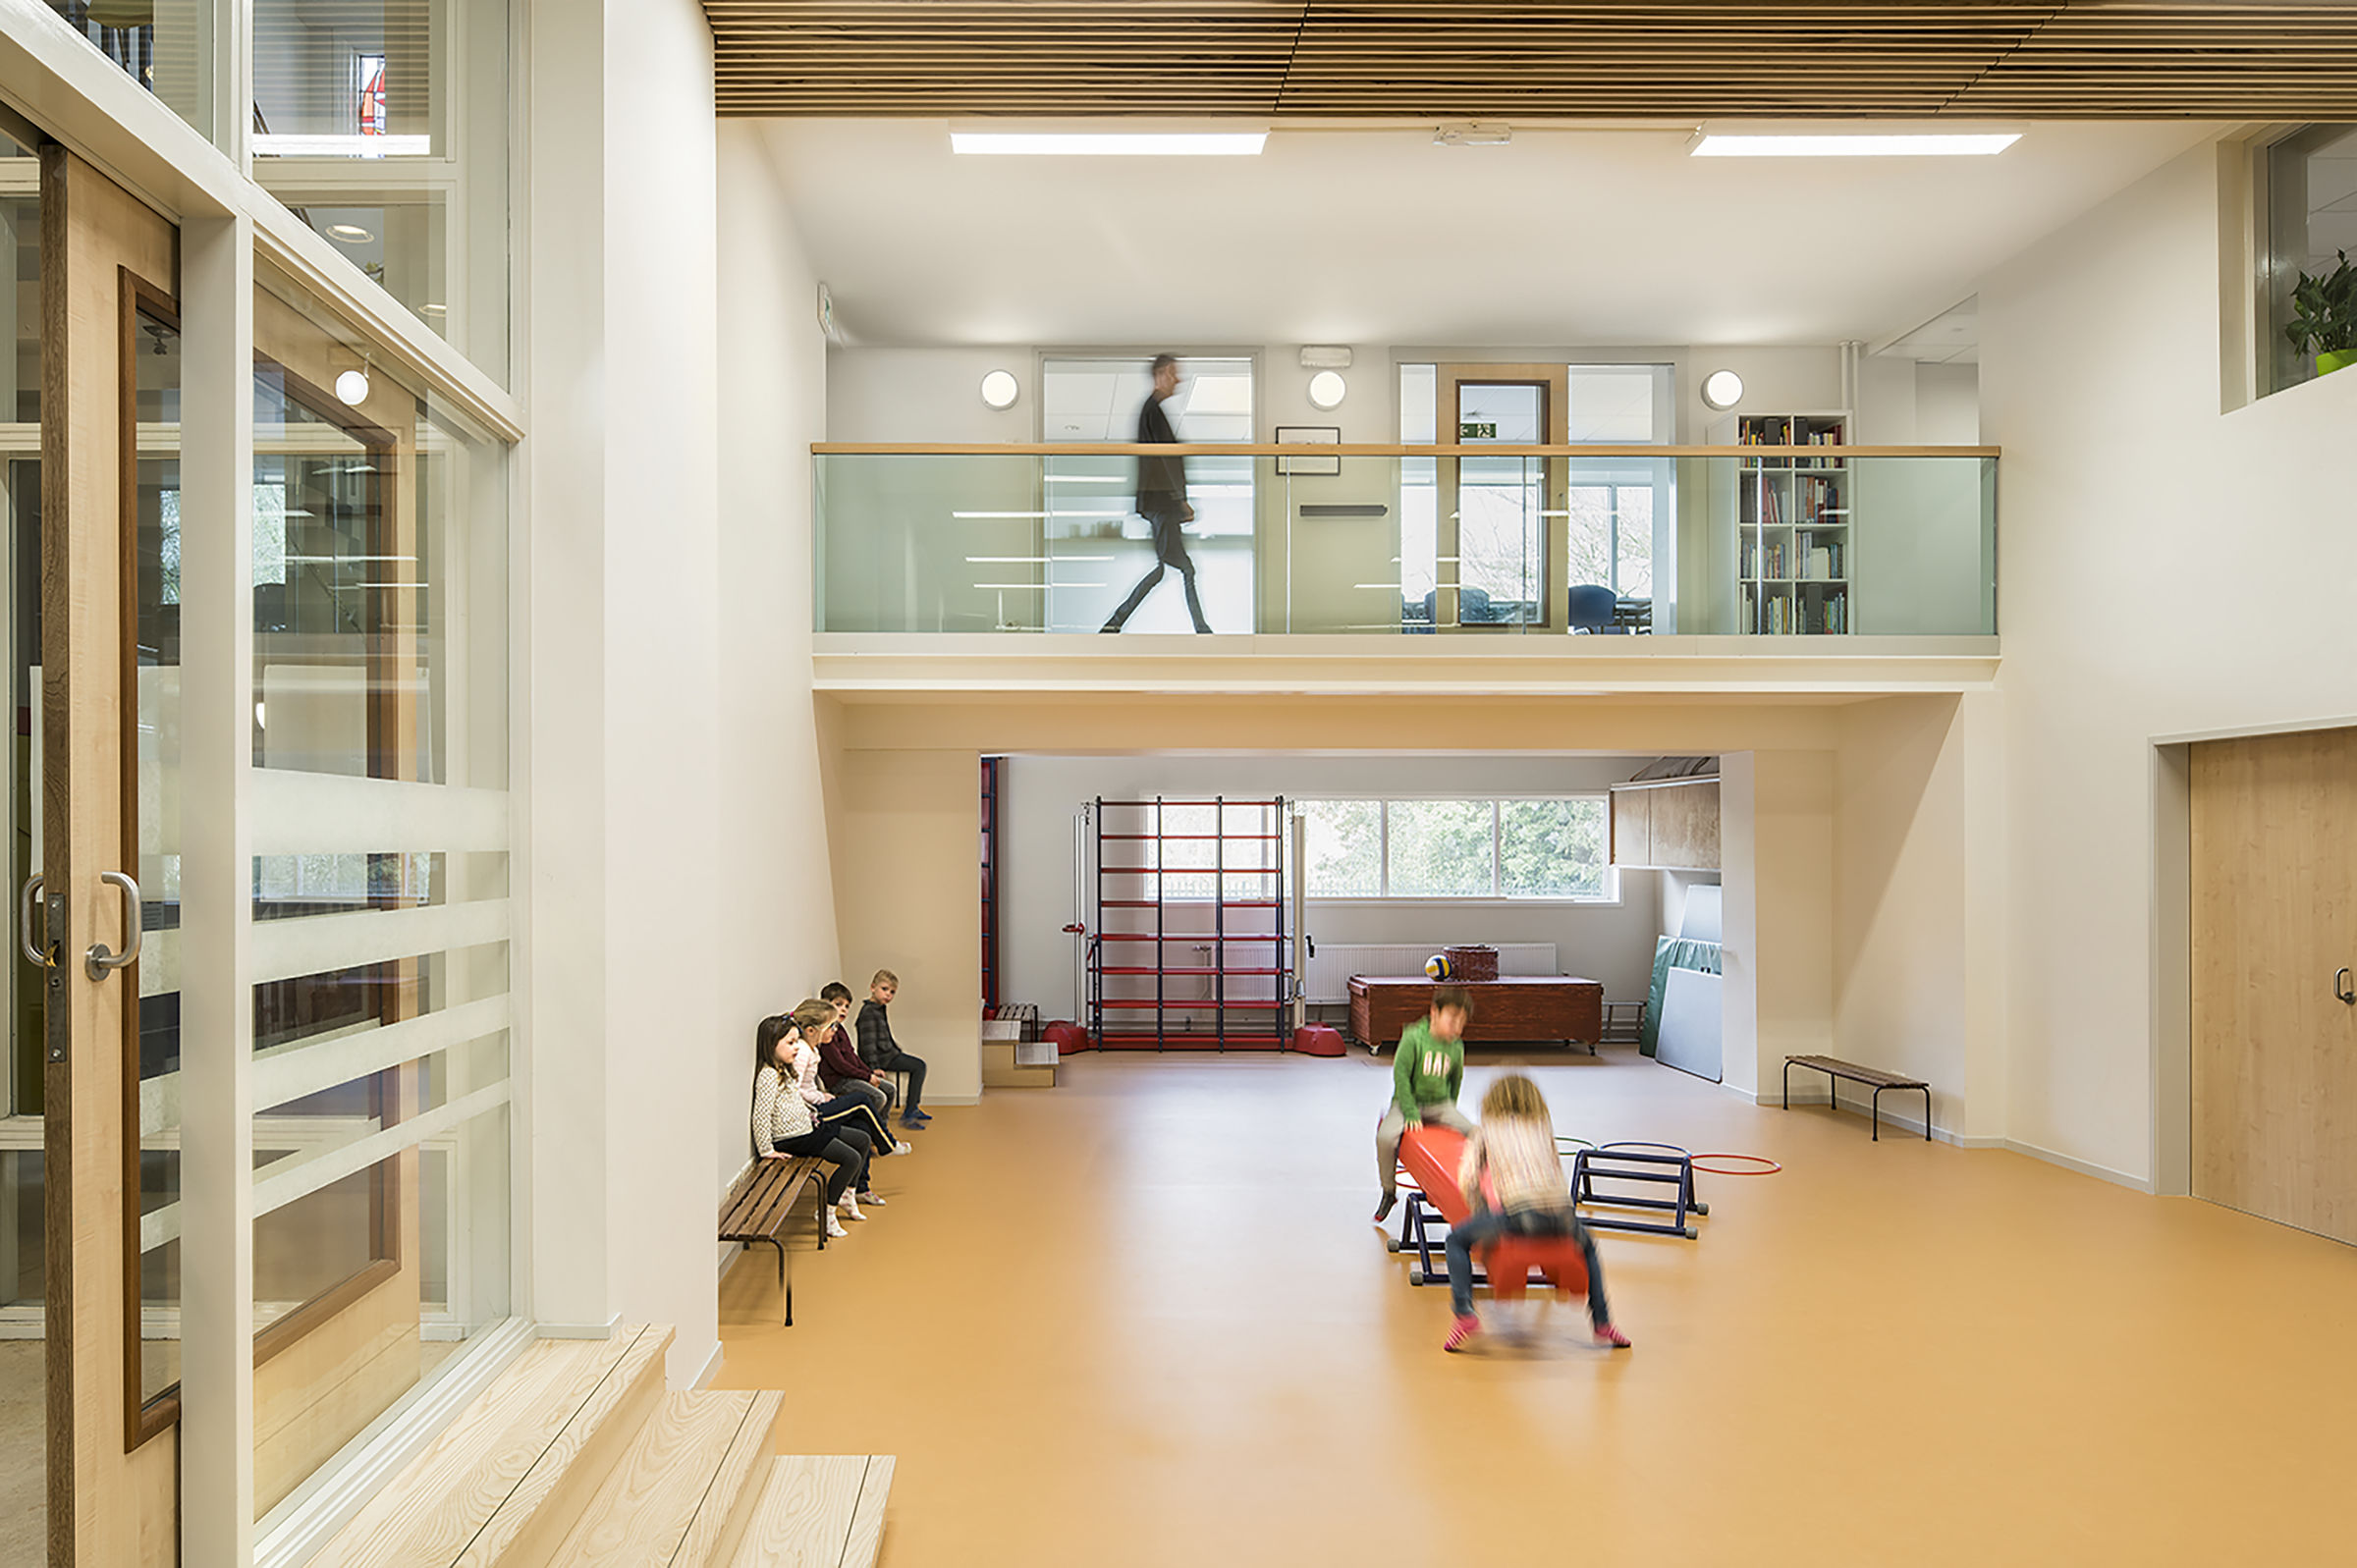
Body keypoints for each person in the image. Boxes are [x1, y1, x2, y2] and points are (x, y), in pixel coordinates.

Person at [1443, 1073, 1629, 1353]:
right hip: (1562, 1213)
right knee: (1589, 1246)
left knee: (1455, 1240)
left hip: (1521, 1214)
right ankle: (1602, 1321)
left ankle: (1464, 1312)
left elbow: (1469, 1178)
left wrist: (1479, 1213)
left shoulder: (1486, 1131)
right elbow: (1555, 1171)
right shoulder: (1542, 1127)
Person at [1100, 353, 1213, 635]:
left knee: (1176, 567)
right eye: (1174, 373)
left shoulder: (1153, 411)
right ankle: (1116, 623)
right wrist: (1180, 498)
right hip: (1162, 503)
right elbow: (1163, 460)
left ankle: (1116, 623)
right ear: (1160, 374)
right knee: (1173, 567)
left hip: (1162, 503)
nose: (1178, 380)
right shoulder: (1151, 411)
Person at [750, 1014, 864, 1238]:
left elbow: (794, 1102)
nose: (796, 1048)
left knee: (861, 1139)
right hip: (793, 1138)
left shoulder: (785, 1069)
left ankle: (846, 1196)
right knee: (851, 1158)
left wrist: (812, 1114)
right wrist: (767, 1150)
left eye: (797, 1042)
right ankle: (827, 1212)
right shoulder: (768, 1075)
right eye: (790, 1043)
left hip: (807, 1128)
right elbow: (760, 1115)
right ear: (771, 1045)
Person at [1372, 985, 1478, 1222]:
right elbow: (1401, 1076)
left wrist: (1449, 1109)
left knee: (1473, 1131)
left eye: (1462, 1021)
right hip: (1407, 1102)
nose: (1457, 1027)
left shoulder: (1456, 1046)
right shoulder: (1413, 1038)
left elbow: (1455, 1080)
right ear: (1434, 1012)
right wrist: (1410, 1112)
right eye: (1452, 1018)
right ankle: (1388, 1191)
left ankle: (1472, 1191)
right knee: (1386, 1137)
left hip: (1439, 1105)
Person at [789, 1000, 909, 1191]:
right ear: (812, 1030)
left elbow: (807, 1086)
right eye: (831, 1026)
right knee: (862, 1100)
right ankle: (887, 1143)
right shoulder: (803, 1052)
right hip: (811, 1115)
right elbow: (793, 1092)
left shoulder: (812, 1049)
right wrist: (820, 1098)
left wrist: (823, 1096)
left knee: (861, 1129)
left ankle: (858, 1189)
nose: (834, 1030)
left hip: (819, 1103)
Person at [854, 969, 931, 1126]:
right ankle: (910, 1111)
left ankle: (913, 1107)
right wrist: (874, 1067)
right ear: (872, 987)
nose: (888, 994)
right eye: (884, 989)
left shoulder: (879, 1008)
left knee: (918, 1065)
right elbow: (868, 1044)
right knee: (919, 1066)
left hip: (888, 1054)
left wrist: (896, 1049)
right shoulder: (869, 1012)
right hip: (882, 1059)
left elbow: (884, 1036)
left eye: (892, 992)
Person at [814, 982, 895, 1119]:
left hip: (850, 1076)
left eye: (846, 1006)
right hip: (840, 1082)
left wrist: (869, 1072)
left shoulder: (840, 1029)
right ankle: (868, 1127)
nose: (844, 1010)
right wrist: (867, 1077)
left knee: (890, 1089)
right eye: (838, 1004)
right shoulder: (827, 1034)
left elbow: (852, 1055)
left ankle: (881, 1128)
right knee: (878, 1097)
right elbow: (840, 1065)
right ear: (825, 1004)